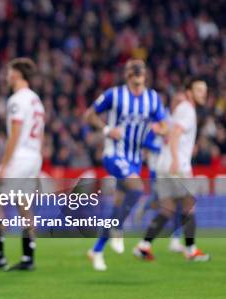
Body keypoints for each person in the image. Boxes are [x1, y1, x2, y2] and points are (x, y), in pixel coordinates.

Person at [85, 59, 167, 271]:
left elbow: (165, 124)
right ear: (128, 77)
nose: (137, 87)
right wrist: (106, 130)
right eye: (134, 81)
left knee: (118, 206)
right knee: (138, 188)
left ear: (145, 78)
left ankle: (96, 250)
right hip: (114, 154)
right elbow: (89, 115)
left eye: (140, 82)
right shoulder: (115, 95)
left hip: (135, 159)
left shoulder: (153, 98)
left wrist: (161, 129)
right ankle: (117, 228)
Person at [0, 58, 45, 272]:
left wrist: (5, 164)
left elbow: (15, 132)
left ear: (16, 75)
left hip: (19, 156)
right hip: (34, 155)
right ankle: (28, 257)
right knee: (24, 205)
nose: (6, 76)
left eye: (9, 72)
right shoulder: (36, 100)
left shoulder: (17, 99)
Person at [133, 79, 210, 262]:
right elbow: (175, 134)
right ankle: (191, 250)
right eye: (199, 90)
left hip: (162, 164)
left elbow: (168, 131)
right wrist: (176, 159)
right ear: (189, 92)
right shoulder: (188, 110)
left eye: (205, 90)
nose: (203, 94)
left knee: (167, 209)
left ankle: (143, 246)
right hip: (177, 165)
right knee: (189, 207)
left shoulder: (179, 110)